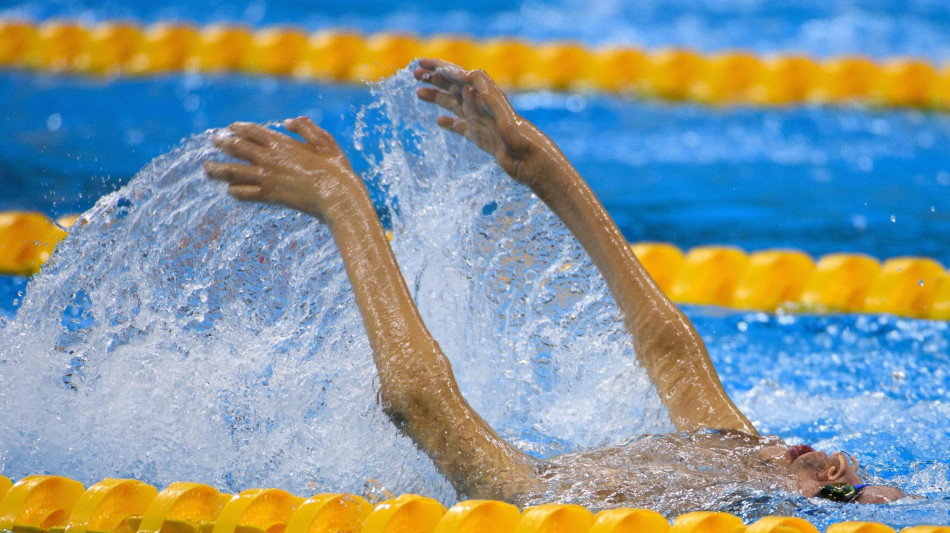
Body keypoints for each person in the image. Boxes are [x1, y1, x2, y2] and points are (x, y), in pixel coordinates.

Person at [204, 58, 906, 508]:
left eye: (833, 485)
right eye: (844, 465)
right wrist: (536, 163)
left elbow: (417, 403)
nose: (829, 460)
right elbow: (672, 352)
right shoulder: (732, 458)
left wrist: (343, 204)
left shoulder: (575, 505)